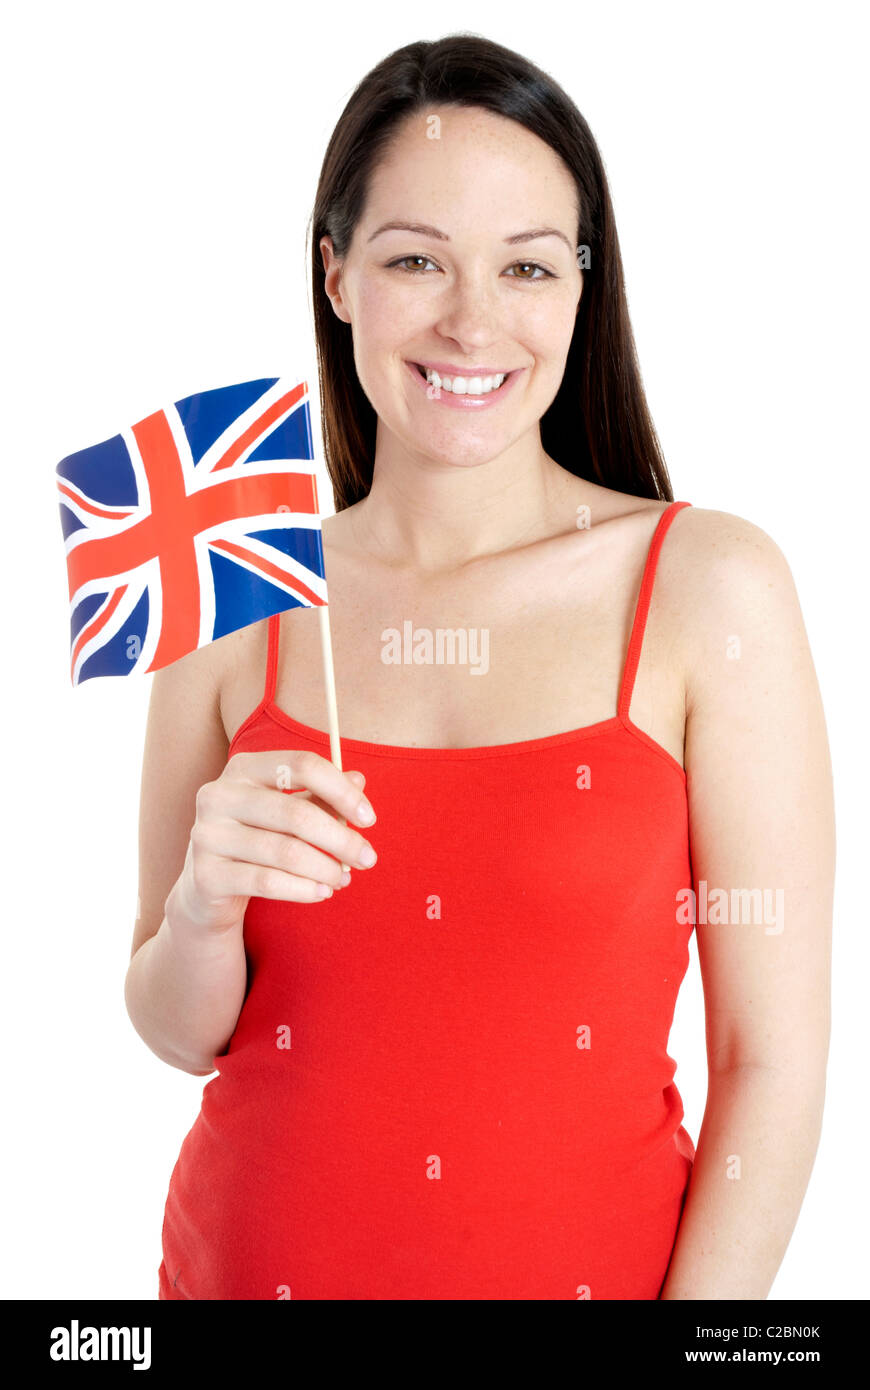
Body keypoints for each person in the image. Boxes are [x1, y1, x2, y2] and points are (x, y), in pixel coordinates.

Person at [125, 34, 834, 1300]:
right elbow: (180, 1029)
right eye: (414, 259)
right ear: (336, 276)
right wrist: (200, 906)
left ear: (580, 288)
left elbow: (766, 1058)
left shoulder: (708, 587)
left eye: (526, 266)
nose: (472, 319)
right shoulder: (239, 589)